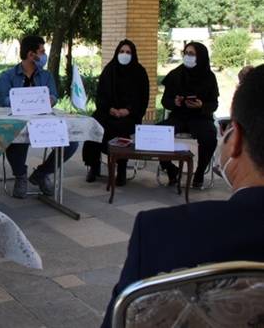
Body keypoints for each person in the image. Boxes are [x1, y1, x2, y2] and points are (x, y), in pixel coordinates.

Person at [102, 64, 264, 328]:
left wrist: (201, 106)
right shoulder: (176, 76)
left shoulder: (162, 233)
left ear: (235, 139)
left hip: (200, 120)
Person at [0, 35, 78, 198]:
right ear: (31, 54)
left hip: (43, 122)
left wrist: (50, 100)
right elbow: (3, 101)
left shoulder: (46, 76)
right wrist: (24, 100)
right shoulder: (7, 76)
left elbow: (54, 96)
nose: (44, 55)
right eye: (42, 51)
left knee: (71, 142)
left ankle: (41, 174)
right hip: (18, 122)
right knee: (13, 140)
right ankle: (20, 176)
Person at [82, 40, 149, 186]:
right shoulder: (109, 70)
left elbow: (143, 99)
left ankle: (122, 169)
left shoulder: (139, 73)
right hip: (107, 112)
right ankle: (94, 165)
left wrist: (128, 110)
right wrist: (109, 109)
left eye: (128, 52)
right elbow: (100, 96)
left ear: (133, 54)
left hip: (130, 115)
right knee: (95, 125)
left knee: (121, 129)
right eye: (122, 51)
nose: (124, 54)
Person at [159, 42, 219, 188]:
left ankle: (199, 173)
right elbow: (165, 101)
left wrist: (201, 105)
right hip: (178, 116)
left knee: (209, 137)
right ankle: (171, 169)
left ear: (201, 57)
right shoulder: (175, 74)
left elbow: (213, 104)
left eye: (191, 54)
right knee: (156, 133)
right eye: (185, 53)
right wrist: (175, 102)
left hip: (200, 117)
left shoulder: (209, 77)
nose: (187, 56)